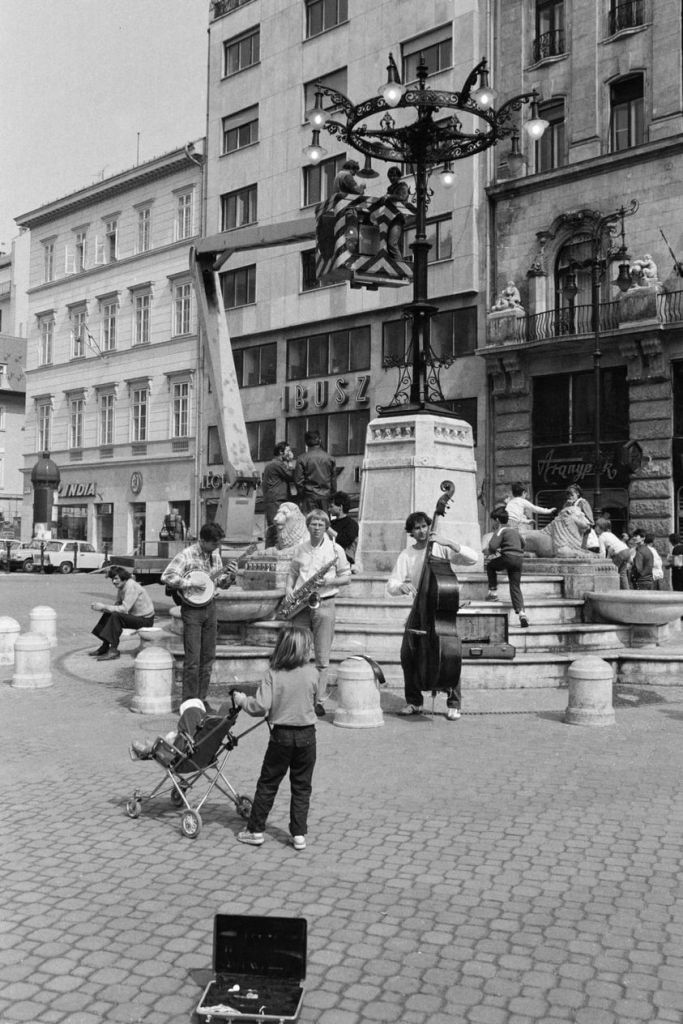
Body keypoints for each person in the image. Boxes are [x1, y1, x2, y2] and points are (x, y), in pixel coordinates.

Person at [232, 624, 323, 851]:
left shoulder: (273, 673)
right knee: (302, 787)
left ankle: (255, 830)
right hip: (307, 736)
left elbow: (260, 706)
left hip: (281, 736)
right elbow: (314, 702)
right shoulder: (313, 673)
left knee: (268, 784)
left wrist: (242, 700)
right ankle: (299, 834)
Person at [386, 510, 478, 719]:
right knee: (407, 655)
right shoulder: (407, 554)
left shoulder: (440, 549)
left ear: (429, 526)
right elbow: (391, 584)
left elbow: (472, 559)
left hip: (441, 611)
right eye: (416, 528)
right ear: (411, 532)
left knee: (450, 655)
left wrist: (450, 543)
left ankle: (454, 702)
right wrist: (401, 588)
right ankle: (414, 702)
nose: (421, 531)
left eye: (424, 526)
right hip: (419, 611)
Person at [160, 522, 237, 703]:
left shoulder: (215, 556)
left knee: (208, 658)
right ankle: (189, 703)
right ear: (202, 540)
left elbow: (220, 584)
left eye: (218, 544)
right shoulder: (187, 555)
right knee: (193, 659)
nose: (217, 547)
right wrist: (190, 583)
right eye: (214, 544)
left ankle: (201, 701)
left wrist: (232, 576)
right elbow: (167, 576)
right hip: (192, 610)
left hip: (211, 607)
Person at [285, 508, 351, 702]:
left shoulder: (335, 549)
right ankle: (300, 697)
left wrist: (328, 582)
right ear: (308, 526)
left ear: (326, 527)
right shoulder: (300, 548)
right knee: (298, 654)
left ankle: (319, 699)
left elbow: (346, 578)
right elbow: (292, 573)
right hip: (300, 605)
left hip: (324, 602)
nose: (316, 528)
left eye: (320, 524)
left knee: (322, 657)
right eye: (313, 524)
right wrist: (289, 589)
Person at [90, 565, 155, 661]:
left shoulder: (131, 586)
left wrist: (104, 606)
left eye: (116, 578)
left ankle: (113, 650)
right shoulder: (122, 587)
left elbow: (124, 609)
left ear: (124, 578)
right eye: (112, 579)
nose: (114, 581)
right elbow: (117, 605)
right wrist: (102, 609)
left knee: (116, 616)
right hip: (136, 617)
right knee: (110, 614)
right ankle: (105, 646)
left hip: (145, 620)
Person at [484, 507, 529, 628]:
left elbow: (492, 547)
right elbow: (523, 544)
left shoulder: (501, 530)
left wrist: (495, 547)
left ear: (497, 520)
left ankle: (493, 593)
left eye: (493, 520)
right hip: (519, 560)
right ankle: (522, 613)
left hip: (508, 557)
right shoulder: (514, 531)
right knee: (515, 586)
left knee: (490, 566)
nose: (493, 523)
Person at [129, 697, 216, 759]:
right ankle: (153, 745)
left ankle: (146, 750)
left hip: (184, 757)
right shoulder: (210, 727)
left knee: (171, 743)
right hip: (204, 756)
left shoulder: (192, 725)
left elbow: (179, 748)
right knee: (175, 737)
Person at [262, 442, 295, 548]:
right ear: (281, 452)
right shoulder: (277, 464)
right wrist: (290, 461)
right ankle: (272, 552)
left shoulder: (273, 464)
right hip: (276, 499)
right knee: (276, 528)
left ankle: (270, 551)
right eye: (288, 451)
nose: (290, 453)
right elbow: (291, 475)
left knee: (274, 528)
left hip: (274, 499)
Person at [294, 430, 336, 514]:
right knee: (324, 522)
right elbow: (333, 480)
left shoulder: (302, 458)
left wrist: (302, 495)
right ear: (319, 440)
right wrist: (332, 496)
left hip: (309, 497)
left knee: (310, 522)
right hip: (325, 496)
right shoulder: (330, 458)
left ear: (306, 443)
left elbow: (298, 481)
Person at [595, 517, 632, 590]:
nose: (595, 528)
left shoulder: (601, 537)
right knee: (622, 574)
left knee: (610, 572)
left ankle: (611, 590)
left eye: (596, 526)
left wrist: (603, 562)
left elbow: (602, 552)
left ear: (599, 528)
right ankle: (627, 591)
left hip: (620, 553)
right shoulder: (610, 534)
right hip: (626, 550)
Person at [328, 491, 359, 567]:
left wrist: (327, 529)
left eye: (331, 506)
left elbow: (344, 541)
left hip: (344, 561)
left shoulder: (352, 524)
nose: (329, 509)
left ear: (340, 507)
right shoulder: (331, 523)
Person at [563, 484, 597, 550]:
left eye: (572, 495)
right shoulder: (568, 503)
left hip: (582, 531)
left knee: (581, 550)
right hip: (571, 531)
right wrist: (567, 505)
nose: (570, 497)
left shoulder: (582, 503)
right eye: (568, 495)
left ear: (577, 493)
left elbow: (590, 520)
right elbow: (562, 515)